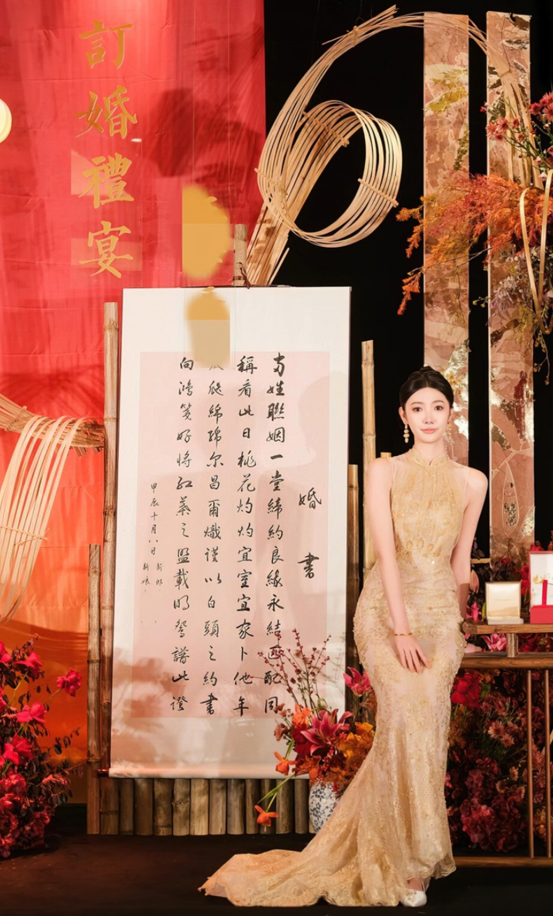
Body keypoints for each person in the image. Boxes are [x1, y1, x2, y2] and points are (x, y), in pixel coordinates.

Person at [202, 367, 488, 907]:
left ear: (451, 414)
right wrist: (400, 628)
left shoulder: (473, 482)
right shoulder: (384, 472)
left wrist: (458, 626)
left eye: (438, 407)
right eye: (418, 408)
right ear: (403, 417)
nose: (428, 417)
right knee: (405, 709)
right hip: (386, 609)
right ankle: (410, 860)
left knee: (426, 718)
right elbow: (386, 556)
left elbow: (459, 564)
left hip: (438, 617)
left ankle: (413, 856)